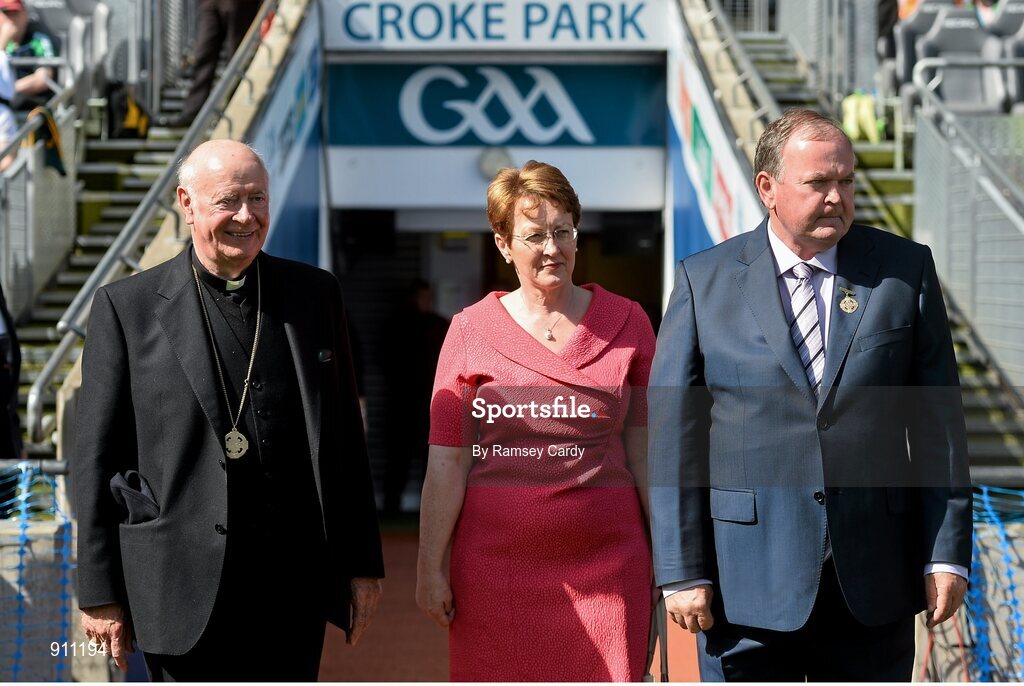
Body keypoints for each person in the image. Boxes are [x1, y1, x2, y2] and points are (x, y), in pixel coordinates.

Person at [648, 109, 972, 681]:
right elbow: (676, 436)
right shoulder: (705, 280)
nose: (835, 197)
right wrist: (681, 569)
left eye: (844, 181)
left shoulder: (905, 270)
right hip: (743, 585)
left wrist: (945, 551)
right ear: (767, 188)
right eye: (818, 183)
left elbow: (937, 427)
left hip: (873, 581)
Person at [73, 139, 384, 681]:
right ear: (187, 204)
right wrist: (99, 592)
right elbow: (95, 459)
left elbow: (342, 439)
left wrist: (361, 565)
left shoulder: (315, 295)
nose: (247, 217)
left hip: (292, 587)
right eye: (228, 202)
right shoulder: (126, 307)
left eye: (258, 199)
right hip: (177, 586)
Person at [417, 160, 656, 681]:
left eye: (563, 231)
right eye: (534, 236)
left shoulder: (630, 322)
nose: (553, 248)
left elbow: (647, 454)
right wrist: (430, 568)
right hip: (494, 573)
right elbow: (448, 462)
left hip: (611, 569)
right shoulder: (468, 331)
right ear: (503, 245)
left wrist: (674, 562)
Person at [380, 279, 448, 517]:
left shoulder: (439, 325)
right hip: (402, 403)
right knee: (398, 458)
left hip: (432, 402)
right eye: (421, 296)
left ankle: (428, 509)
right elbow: (386, 363)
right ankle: (391, 509)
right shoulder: (396, 326)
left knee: (432, 459)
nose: (426, 301)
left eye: (428, 296)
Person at [161, 0, 261, 128]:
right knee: (203, 54)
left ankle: (235, 110)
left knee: (237, 59)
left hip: (241, 4)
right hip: (210, 3)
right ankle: (192, 111)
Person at [0, 0, 57, 111]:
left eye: (15, 13)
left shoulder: (38, 39)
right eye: (6, 14)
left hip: (31, 104)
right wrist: (2, 43)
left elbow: (43, 79)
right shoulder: (2, 41)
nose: (11, 20)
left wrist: (10, 89)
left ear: (25, 14)